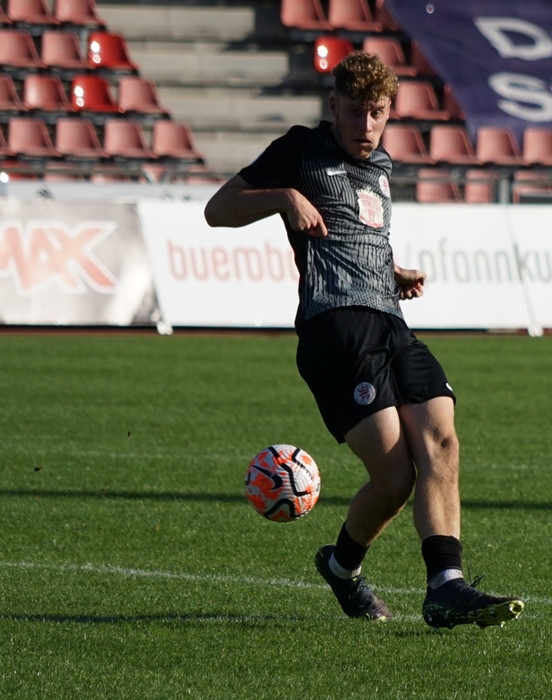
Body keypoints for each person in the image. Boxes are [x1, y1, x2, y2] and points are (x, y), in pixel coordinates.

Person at [204, 51, 524, 629]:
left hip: (390, 321)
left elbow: (361, 232)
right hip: (335, 327)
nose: (366, 125)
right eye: (354, 112)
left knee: (442, 440)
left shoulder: (380, 164)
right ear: (334, 107)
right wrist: (283, 198)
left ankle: (445, 586)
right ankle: (342, 568)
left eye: (377, 113)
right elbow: (216, 210)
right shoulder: (299, 150)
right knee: (395, 476)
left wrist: (392, 270)